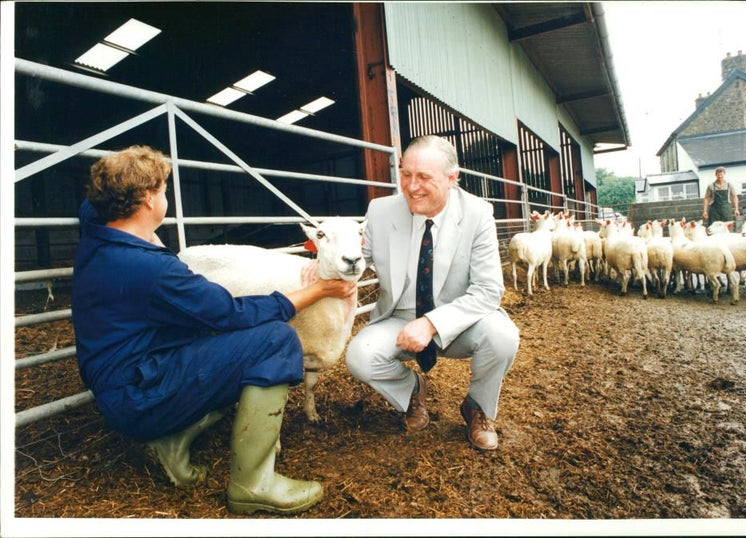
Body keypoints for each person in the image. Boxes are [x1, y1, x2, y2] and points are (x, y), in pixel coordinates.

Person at [71, 145, 356, 514]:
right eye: (162, 190)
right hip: (139, 396)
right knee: (276, 339)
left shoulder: (96, 226)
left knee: (218, 339)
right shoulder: (153, 271)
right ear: (145, 200)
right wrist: (317, 290)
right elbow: (231, 313)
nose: (166, 197)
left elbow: (91, 205)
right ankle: (253, 483)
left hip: (121, 382)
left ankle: (170, 440)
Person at [345, 135, 520, 451]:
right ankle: (412, 390)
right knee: (361, 357)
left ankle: (477, 407)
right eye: (405, 174)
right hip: (398, 317)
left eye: (424, 177)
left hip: (459, 322)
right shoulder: (380, 211)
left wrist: (431, 324)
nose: (411, 186)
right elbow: (357, 260)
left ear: (452, 178)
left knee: (503, 335)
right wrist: (326, 259)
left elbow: (489, 290)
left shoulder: (478, 214)